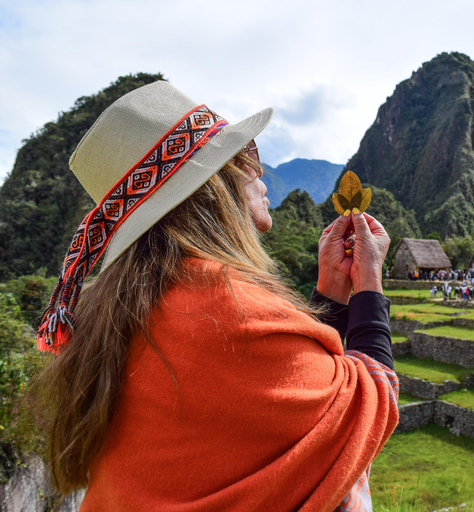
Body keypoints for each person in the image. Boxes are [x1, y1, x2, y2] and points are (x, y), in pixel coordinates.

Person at [28, 82, 399, 512]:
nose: (259, 173)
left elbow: (308, 399)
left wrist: (333, 291)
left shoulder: (126, 308)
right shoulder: (225, 308)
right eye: (246, 156)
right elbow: (366, 408)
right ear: (214, 183)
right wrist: (369, 282)